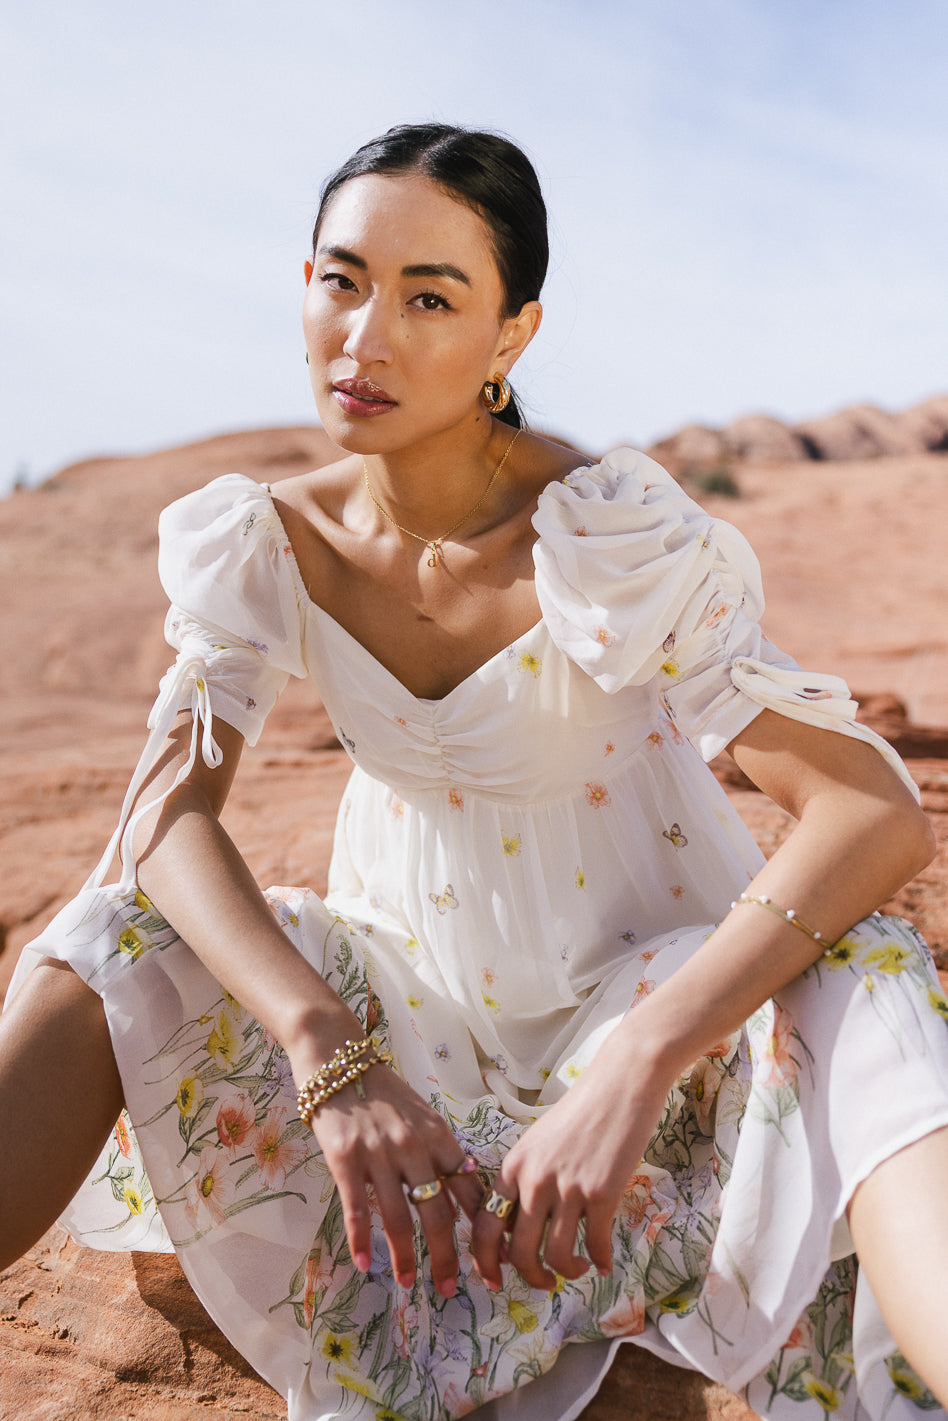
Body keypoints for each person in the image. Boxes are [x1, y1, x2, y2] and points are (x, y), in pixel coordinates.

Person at [2, 122, 948, 1421]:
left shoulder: (605, 533)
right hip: (407, 1020)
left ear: (513, 335)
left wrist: (641, 1066)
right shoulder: (266, 538)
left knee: (874, 980)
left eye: (429, 296)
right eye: (340, 280)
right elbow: (167, 818)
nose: (364, 335)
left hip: (648, 1011)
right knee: (101, 931)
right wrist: (324, 1046)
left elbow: (874, 810)